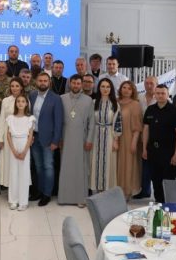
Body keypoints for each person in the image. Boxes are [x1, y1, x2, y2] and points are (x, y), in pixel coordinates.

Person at [58, 74, 94, 207]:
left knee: (80, 169)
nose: (76, 85)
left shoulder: (88, 100)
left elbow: (92, 122)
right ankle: (64, 197)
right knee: (65, 168)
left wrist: (89, 140)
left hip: (81, 138)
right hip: (66, 137)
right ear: (70, 84)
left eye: (78, 83)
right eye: (73, 83)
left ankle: (81, 198)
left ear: (82, 85)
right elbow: (58, 121)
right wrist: (59, 138)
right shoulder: (62, 98)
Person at [142, 84, 176, 203]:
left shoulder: (174, 111)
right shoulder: (150, 109)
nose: (160, 96)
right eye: (158, 93)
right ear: (155, 94)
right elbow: (146, 130)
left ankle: (168, 204)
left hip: (168, 152)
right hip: (153, 151)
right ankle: (158, 202)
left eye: (163, 93)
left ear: (168, 94)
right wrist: (144, 149)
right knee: (155, 178)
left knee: (168, 179)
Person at [29, 72, 64, 206]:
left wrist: (56, 141)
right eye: (40, 80)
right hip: (34, 137)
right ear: (36, 82)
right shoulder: (32, 95)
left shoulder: (56, 98)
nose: (42, 83)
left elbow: (58, 121)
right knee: (38, 166)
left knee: (48, 166)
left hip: (49, 139)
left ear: (49, 82)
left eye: (45, 81)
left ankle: (47, 194)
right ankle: (39, 191)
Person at [90, 78, 122, 193]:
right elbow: (90, 121)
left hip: (109, 136)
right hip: (95, 135)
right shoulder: (93, 102)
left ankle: (107, 190)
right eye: (102, 86)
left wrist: (116, 140)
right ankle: (95, 189)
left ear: (111, 89)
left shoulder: (115, 104)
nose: (105, 89)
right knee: (95, 161)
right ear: (99, 88)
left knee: (108, 162)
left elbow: (118, 122)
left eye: (108, 87)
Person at [6, 95, 35, 211]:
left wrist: (24, 151)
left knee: (24, 173)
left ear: (26, 104)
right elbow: (8, 135)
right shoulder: (10, 118)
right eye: (18, 101)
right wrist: (13, 150)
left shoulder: (30, 118)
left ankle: (23, 202)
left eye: (23, 101)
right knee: (13, 173)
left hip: (24, 145)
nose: (20, 103)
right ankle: (13, 200)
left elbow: (30, 136)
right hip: (13, 144)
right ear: (16, 104)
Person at [116, 80, 143, 199]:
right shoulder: (115, 101)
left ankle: (126, 192)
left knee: (127, 165)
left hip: (128, 138)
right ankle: (115, 191)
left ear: (133, 91)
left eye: (129, 88)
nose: (126, 90)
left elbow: (137, 126)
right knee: (116, 165)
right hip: (115, 138)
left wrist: (134, 142)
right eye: (124, 87)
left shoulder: (135, 104)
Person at [0, 77, 24, 188]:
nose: (14, 88)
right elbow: (2, 120)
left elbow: (28, 120)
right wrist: (0, 138)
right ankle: (9, 187)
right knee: (8, 162)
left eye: (17, 86)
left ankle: (19, 187)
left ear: (21, 87)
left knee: (19, 162)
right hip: (7, 137)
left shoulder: (26, 101)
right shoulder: (5, 101)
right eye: (12, 86)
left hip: (21, 137)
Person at [134, 75, 157, 199]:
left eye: (151, 83)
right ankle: (144, 190)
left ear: (156, 84)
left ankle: (157, 191)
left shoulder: (161, 98)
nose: (149, 86)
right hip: (140, 133)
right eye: (146, 83)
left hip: (156, 135)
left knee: (153, 163)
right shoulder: (139, 98)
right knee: (143, 163)